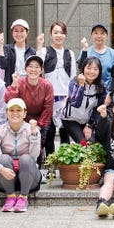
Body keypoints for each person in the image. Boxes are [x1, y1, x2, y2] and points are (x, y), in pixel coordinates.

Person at [0, 98, 41, 212]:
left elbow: (34, 156)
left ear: (24, 113)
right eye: (11, 110)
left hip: (29, 177)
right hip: (7, 178)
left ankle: (23, 197)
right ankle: (10, 196)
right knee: (4, 158)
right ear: (6, 113)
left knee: (26, 158)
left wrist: (34, 135)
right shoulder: (0, 130)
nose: (15, 113)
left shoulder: (32, 130)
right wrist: (0, 169)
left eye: (19, 110)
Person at [4, 55, 53, 161]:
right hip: (22, 118)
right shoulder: (20, 83)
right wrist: (14, 84)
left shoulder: (47, 85)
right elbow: (9, 100)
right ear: (25, 68)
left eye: (37, 67)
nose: (33, 70)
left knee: (42, 137)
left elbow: (48, 108)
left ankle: (44, 163)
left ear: (41, 70)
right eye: (30, 66)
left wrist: (39, 126)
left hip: (40, 119)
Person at [38, 21, 75, 155]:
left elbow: (73, 77)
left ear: (65, 35)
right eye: (56, 32)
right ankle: (50, 162)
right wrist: (39, 45)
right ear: (51, 34)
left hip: (64, 97)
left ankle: (64, 160)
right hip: (48, 97)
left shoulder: (70, 53)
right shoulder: (44, 51)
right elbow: (37, 67)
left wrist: (70, 95)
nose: (58, 35)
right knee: (49, 131)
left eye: (61, 32)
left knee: (65, 130)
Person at [61, 57, 107, 144]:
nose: (91, 72)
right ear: (83, 69)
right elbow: (75, 103)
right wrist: (81, 85)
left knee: (93, 143)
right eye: (88, 68)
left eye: (95, 69)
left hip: (86, 121)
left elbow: (98, 108)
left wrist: (89, 125)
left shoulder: (101, 86)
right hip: (70, 119)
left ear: (99, 71)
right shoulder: (75, 82)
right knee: (83, 143)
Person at [78, 23, 114, 92]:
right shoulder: (86, 51)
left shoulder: (113, 53)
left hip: (106, 92)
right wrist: (85, 49)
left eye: (102, 33)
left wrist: (110, 94)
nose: (99, 36)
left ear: (106, 36)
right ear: (92, 35)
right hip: (88, 92)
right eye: (96, 33)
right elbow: (80, 69)